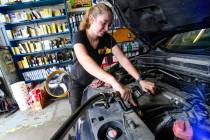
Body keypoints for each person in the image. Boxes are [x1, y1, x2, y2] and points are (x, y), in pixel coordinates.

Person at [65, 3, 155, 113]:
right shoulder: (79, 36)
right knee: (77, 117)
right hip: (76, 83)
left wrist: (140, 80)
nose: (107, 28)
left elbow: (122, 59)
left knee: (95, 111)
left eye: (109, 25)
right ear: (92, 19)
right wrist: (112, 81)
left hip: (94, 79)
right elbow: (85, 60)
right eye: (103, 23)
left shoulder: (106, 38)